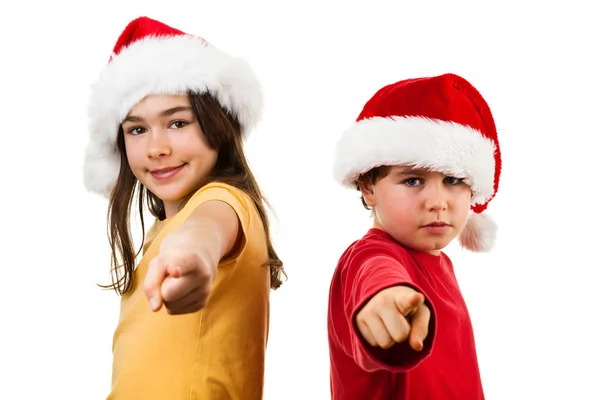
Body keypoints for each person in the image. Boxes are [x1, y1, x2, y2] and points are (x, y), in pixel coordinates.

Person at [82, 16, 285, 399]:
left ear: (218, 125)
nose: (157, 148)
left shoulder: (223, 201)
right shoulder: (163, 229)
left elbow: (206, 231)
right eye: (137, 129)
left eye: (177, 123)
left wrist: (195, 257)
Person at [327, 73, 502, 399]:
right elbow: (376, 273)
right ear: (368, 188)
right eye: (412, 181)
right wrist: (385, 298)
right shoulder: (367, 257)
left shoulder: (441, 263)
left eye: (452, 180)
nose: (437, 202)